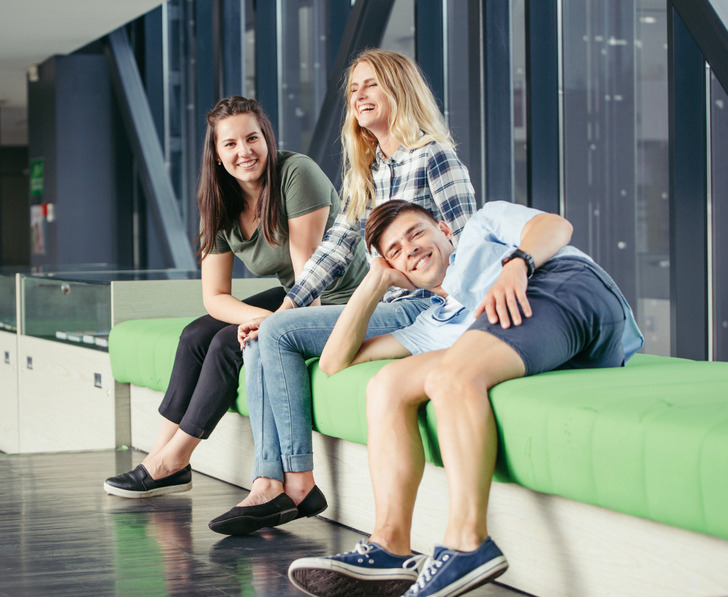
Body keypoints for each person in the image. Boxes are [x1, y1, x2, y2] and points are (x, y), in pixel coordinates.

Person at [287, 199, 644, 597]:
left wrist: (517, 266)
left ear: (444, 230)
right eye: (396, 252)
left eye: (416, 233)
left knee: (449, 377)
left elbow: (557, 226)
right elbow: (334, 361)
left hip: (563, 285)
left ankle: (466, 543)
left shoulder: (480, 227)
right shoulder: (434, 323)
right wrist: (376, 281)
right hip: (535, 341)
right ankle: (389, 546)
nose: (411, 249)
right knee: (386, 385)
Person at [207, 49, 476, 535]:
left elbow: (467, 242)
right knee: (261, 340)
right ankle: (268, 481)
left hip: (423, 306)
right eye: (354, 89)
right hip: (384, 302)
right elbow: (336, 246)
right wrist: (288, 305)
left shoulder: (433, 156)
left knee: (277, 333)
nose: (359, 96)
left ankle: (300, 484)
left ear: (399, 88)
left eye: (371, 84)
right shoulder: (368, 169)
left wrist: (457, 319)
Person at [103, 96, 368, 502]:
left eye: (252, 138)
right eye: (230, 144)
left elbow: (308, 280)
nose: (244, 151)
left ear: (267, 138)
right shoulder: (219, 201)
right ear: (217, 154)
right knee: (196, 335)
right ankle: (161, 452)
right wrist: (262, 316)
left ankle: (176, 458)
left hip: (340, 299)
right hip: (294, 295)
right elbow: (215, 297)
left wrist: (275, 324)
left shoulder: (297, 174)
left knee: (229, 342)